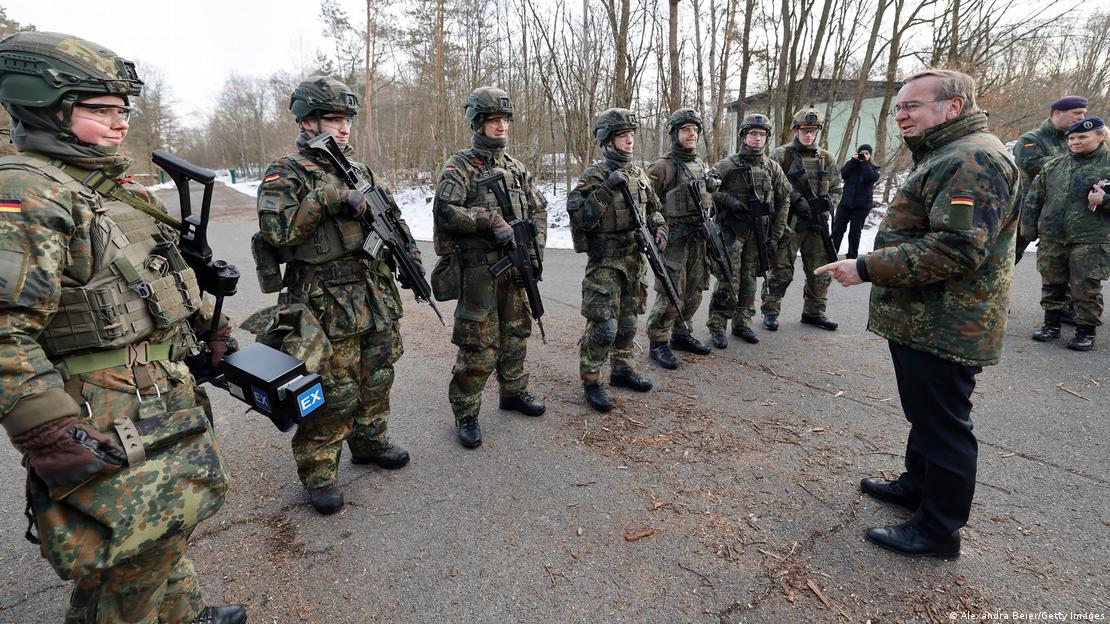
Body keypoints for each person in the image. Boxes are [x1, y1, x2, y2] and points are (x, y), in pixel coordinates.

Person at [0, 32, 245, 623]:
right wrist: (48, 431)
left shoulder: (107, 186)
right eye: (99, 111)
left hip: (154, 390)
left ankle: (180, 614)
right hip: (101, 410)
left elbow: (150, 280)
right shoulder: (27, 191)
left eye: (122, 111)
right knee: (121, 572)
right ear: (45, 108)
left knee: (163, 531)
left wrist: (205, 334)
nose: (119, 125)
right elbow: (6, 329)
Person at [817, 68, 1018, 558]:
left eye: (913, 105)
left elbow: (956, 248)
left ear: (953, 107)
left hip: (948, 320)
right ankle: (917, 485)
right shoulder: (946, 153)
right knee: (924, 415)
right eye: (900, 106)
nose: (901, 115)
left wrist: (866, 267)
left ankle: (938, 529)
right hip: (926, 316)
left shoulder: (972, 158)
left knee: (944, 424)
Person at [255, 75, 415, 514]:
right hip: (325, 301)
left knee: (378, 374)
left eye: (347, 119)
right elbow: (277, 231)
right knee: (333, 388)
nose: (343, 128)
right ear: (307, 121)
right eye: (333, 118)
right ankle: (320, 470)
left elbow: (395, 223)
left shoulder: (360, 171)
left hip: (374, 295)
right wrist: (328, 199)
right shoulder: (285, 171)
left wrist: (409, 261)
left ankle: (370, 441)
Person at [433, 86, 548, 447]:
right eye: (493, 120)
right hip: (480, 273)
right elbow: (444, 212)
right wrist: (487, 220)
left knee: (516, 334)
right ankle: (466, 412)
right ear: (478, 123)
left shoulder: (516, 168)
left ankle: (512, 391)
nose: (501, 127)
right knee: (479, 345)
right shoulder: (460, 165)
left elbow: (538, 208)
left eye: (505, 121)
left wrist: (535, 248)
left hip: (516, 269)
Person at [567, 108, 666, 412]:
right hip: (606, 263)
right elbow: (582, 220)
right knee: (603, 327)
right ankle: (592, 380)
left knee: (627, 323)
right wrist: (606, 189)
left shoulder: (638, 173)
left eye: (631, 135)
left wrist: (660, 227)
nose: (629, 141)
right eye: (622, 136)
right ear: (608, 140)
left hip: (633, 260)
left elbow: (654, 210)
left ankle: (622, 370)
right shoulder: (593, 177)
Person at [1020, 117, 1110, 351]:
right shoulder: (1054, 165)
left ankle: (1085, 331)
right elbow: (1035, 198)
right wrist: (1028, 228)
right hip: (1052, 235)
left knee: (1085, 286)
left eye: (1082, 137)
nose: (1075, 142)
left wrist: (1106, 200)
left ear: (1100, 136)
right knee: (1052, 281)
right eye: (1072, 138)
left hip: (1091, 237)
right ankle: (1051, 325)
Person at [706, 113, 789, 347]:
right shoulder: (728, 165)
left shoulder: (772, 167)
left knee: (750, 279)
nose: (758, 139)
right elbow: (707, 188)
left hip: (759, 233)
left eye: (762, 135)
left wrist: (777, 233)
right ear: (744, 136)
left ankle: (742, 323)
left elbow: (784, 200)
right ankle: (718, 325)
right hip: (733, 231)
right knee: (728, 278)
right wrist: (727, 200)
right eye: (753, 134)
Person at [643, 108, 713, 369]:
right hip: (673, 242)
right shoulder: (662, 167)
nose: (691, 134)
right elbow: (647, 206)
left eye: (694, 129)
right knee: (672, 293)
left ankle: (682, 334)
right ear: (674, 133)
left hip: (698, 240)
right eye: (685, 129)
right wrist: (660, 229)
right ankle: (658, 342)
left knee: (694, 291)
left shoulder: (699, 165)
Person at [762, 107, 843, 332]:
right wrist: (794, 201)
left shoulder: (827, 158)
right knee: (781, 270)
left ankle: (814, 312)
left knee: (820, 270)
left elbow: (837, 188)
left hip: (817, 223)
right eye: (804, 130)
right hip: (790, 222)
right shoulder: (781, 155)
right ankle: (770, 310)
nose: (809, 135)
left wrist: (828, 203)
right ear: (795, 131)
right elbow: (769, 186)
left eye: (813, 130)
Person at [831, 144, 880, 259]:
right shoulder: (852, 165)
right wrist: (853, 161)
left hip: (861, 206)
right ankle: (831, 255)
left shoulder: (874, 168)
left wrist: (865, 163)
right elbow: (842, 174)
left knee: (854, 233)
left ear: (870, 155)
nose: (864, 155)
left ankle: (851, 258)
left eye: (867, 153)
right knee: (837, 231)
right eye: (862, 153)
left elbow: (870, 178)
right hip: (845, 204)